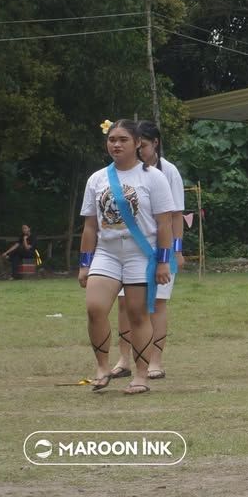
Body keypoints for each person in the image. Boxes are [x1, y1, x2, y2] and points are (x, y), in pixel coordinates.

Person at [78, 119, 174, 395]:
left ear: (137, 144)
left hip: (140, 254)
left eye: (123, 140)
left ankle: (141, 375)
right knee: (95, 308)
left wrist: (164, 260)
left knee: (137, 314)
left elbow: (165, 222)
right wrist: (85, 264)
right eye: (112, 139)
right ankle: (101, 367)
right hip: (107, 253)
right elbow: (90, 226)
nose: (116, 144)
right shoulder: (96, 179)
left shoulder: (153, 177)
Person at [109, 121, 186, 381]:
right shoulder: (122, 172)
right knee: (123, 303)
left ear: (155, 143)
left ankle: (155, 360)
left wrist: (176, 250)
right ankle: (124, 358)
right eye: (136, 144)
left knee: (157, 304)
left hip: (158, 250)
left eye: (142, 145)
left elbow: (175, 215)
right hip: (126, 250)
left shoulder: (167, 172)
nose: (139, 150)